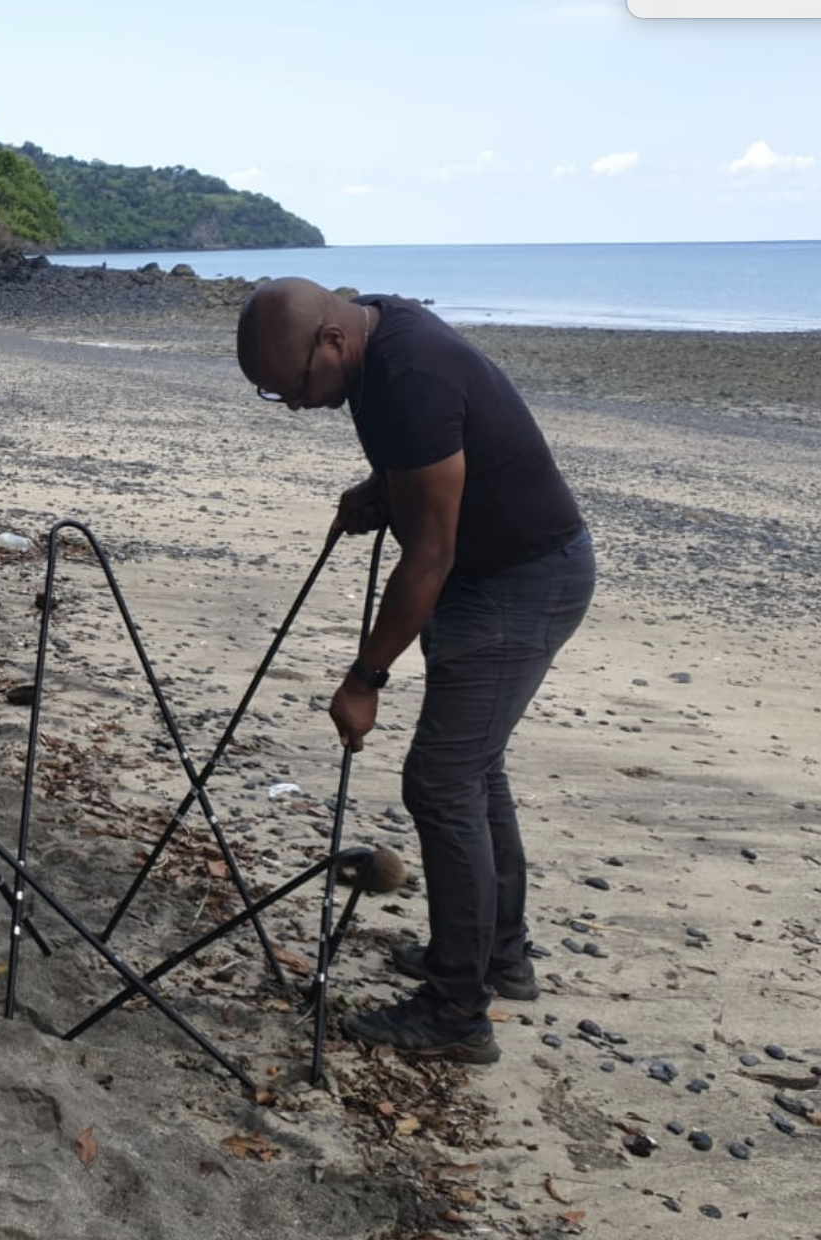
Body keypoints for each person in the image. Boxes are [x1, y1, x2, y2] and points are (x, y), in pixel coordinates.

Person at [235, 278, 594, 1064]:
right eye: (275, 395)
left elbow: (430, 554)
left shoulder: (411, 378)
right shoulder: (376, 335)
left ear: (332, 341)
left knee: (439, 781)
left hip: (521, 581)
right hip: (492, 572)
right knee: (473, 770)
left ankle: (457, 1012)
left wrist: (364, 678)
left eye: (294, 387)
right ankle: (497, 956)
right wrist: (383, 489)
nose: (293, 406)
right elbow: (438, 456)